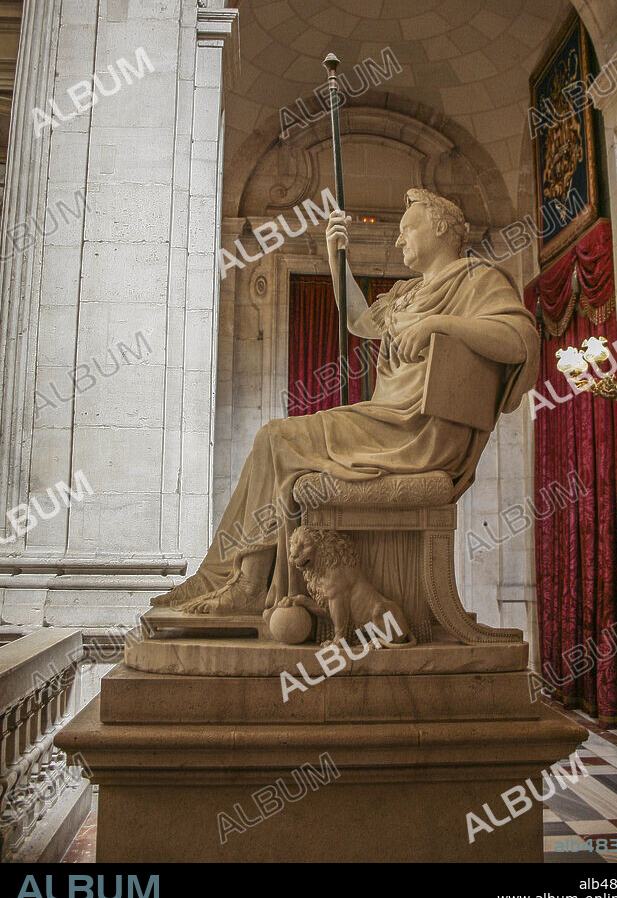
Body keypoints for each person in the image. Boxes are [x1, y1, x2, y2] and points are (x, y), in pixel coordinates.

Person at [151, 188, 539, 616]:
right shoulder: (408, 293)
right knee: (274, 440)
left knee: (277, 438)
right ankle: (231, 577)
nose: (398, 239)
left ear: (440, 228)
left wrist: (438, 324)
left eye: (408, 228)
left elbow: (519, 341)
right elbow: (358, 321)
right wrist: (338, 259)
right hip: (387, 420)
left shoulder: (477, 281)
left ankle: (247, 583)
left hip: (421, 430)